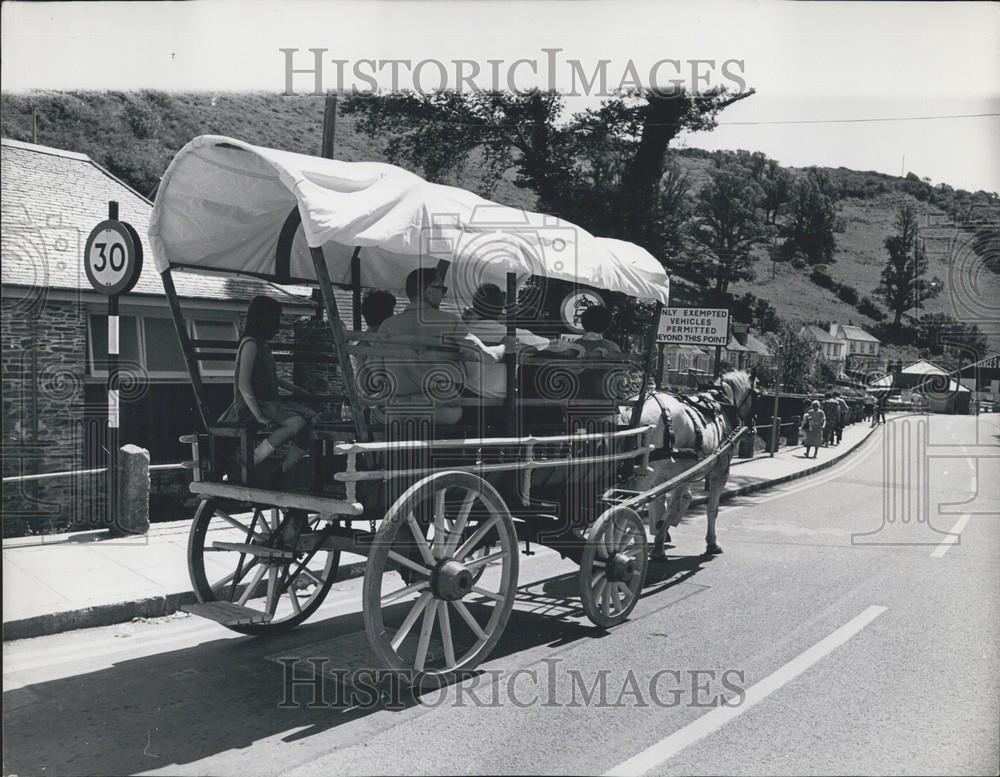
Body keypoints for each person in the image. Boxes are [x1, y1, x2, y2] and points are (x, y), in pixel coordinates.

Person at [371, 268, 503, 425]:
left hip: (398, 410)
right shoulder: (450, 321)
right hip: (440, 411)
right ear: (428, 292)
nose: (443, 294)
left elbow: (376, 371)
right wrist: (504, 346)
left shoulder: (387, 325)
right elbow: (485, 356)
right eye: (442, 289)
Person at [226, 295, 317, 477]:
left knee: (314, 418)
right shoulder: (250, 344)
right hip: (253, 406)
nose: (279, 323)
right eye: (276, 318)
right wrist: (258, 415)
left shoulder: (263, 346)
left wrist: (295, 389)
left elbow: (271, 378)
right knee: (296, 422)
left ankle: (283, 472)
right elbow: (244, 383)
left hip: (270, 404)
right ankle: (251, 461)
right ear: (264, 319)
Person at [461, 283, 551, 402]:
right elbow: (550, 345)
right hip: (505, 403)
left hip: (469, 398)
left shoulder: (463, 334)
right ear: (500, 308)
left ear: (474, 306)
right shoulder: (516, 334)